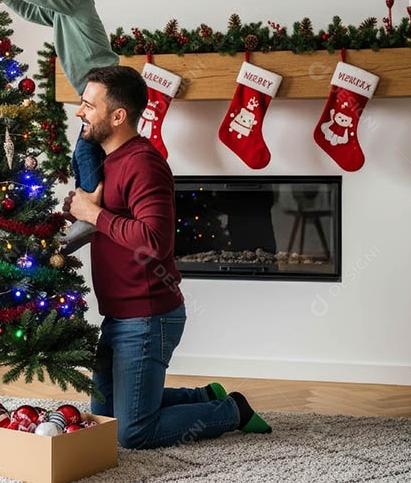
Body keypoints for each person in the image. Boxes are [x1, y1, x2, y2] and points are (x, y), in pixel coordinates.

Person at [63, 66, 271, 449]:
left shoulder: (143, 163)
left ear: (118, 116)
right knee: (106, 419)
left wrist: (94, 215)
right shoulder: (107, 162)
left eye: (88, 106)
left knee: (131, 433)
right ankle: (202, 396)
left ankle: (231, 411)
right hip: (119, 314)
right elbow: (110, 221)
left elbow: (155, 240)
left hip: (147, 317)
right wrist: (79, 210)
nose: (80, 113)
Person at [0, 0, 118, 254]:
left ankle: (89, 212)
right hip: (96, 91)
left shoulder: (79, 1)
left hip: (108, 86)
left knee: (86, 152)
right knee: (82, 155)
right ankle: (92, 201)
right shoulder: (64, 13)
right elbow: (33, 9)